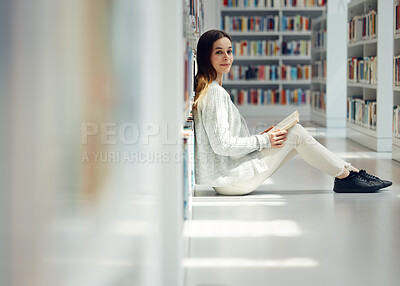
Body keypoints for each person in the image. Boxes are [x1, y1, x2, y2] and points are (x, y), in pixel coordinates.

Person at [191, 29, 392, 195]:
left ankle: (348, 173)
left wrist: (262, 138)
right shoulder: (214, 94)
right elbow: (223, 145)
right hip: (232, 180)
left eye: (229, 51)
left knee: (293, 134)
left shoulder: (211, 90)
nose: (226, 57)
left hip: (229, 176)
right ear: (206, 56)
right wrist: (265, 141)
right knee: (296, 133)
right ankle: (348, 176)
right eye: (219, 52)